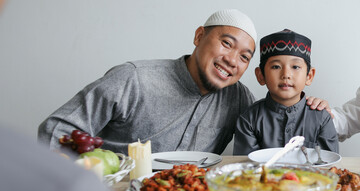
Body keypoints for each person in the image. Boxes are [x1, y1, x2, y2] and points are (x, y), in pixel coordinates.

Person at [38, 9, 329, 155]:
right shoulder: (134, 79)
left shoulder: (239, 99)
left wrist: (310, 104)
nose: (232, 60)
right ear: (199, 37)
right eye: (226, 44)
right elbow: (56, 130)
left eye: (244, 57)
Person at [233, 29, 339, 155]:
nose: (286, 75)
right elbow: (247, 167)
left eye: (295, 67)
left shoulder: (322, 118)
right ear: (261, 75)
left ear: (309, 76)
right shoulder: (249, 119)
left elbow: (329, 165)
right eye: (276, 67)